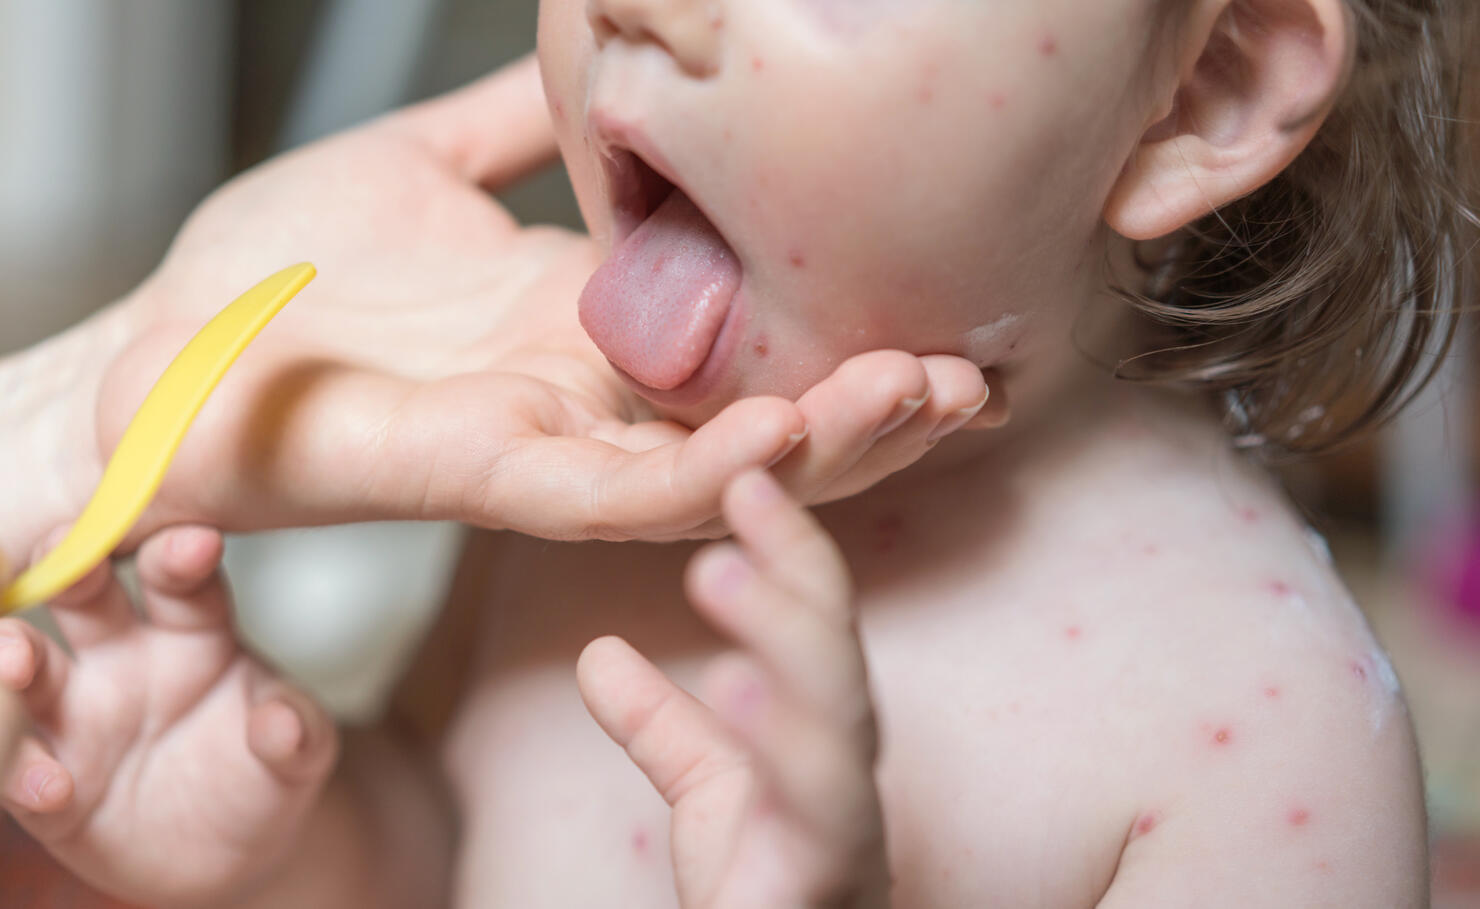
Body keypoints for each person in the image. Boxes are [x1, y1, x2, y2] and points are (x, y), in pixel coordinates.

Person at [3, 1, 1477, 907]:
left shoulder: (1262, 737)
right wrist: (286, 850)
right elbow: (459, 846)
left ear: (1205, 84)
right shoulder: (592, 466)